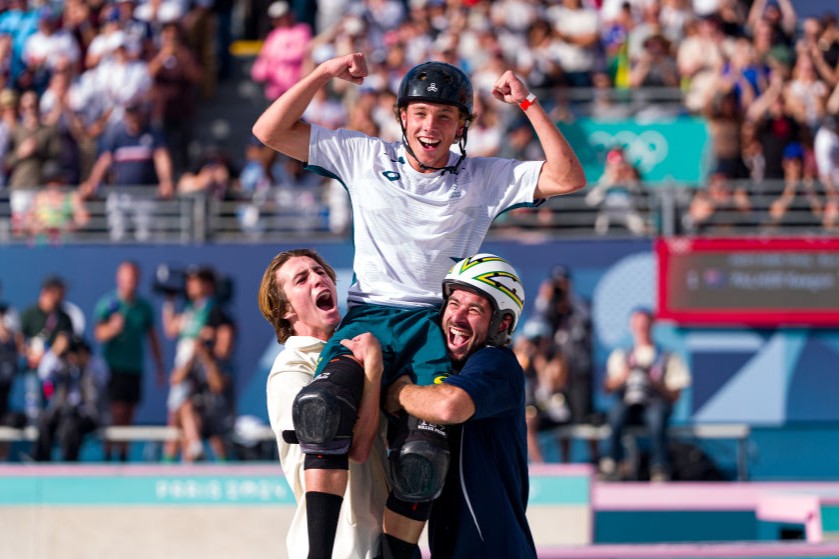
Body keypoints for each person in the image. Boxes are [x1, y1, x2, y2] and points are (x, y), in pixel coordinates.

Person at [251, 52, 585, 558]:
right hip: (368, 316)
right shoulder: (364, 155)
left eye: (446, 116)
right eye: (421, 113)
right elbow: (270, 130)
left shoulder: (483, 176)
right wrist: (323, 73)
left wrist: (530, 103)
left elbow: (567, 178)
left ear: (462, 126)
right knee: (321, 413)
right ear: (402, 116)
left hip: (433, 325)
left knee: (421, 459)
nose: (432, 126)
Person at [385, 253, 536, 558]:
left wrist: (398, 391)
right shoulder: (449, 368)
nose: (456, 317)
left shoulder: (496, 362)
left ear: (502, 322)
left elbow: (449, 406)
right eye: (453, 304)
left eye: (474, 309)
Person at [258, 248, 388, 559]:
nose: (318, 279)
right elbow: (347, 446)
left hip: (382, 541)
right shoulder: (291, 369)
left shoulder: (354, 348)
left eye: (320, 272)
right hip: (338, 547)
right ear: (286, 309)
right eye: (301, 279)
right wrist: (372, 371)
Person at [599, 308, 692, 482]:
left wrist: (654, 382)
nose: (641, 328)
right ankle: (612, 462)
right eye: (637, 324)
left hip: (655, 404)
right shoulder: (621, 356)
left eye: (645, 324)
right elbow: (607, 388)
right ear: (631, 326)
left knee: (656, 417)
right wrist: (624, 376)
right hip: (628, 405)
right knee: (615, 414)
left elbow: (675, 395)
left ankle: (660, 467)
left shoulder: (668, 356)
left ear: (652, 325)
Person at [93, 260, 165, 462]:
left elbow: (152, 339)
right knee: (114, 412)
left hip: (134, 367)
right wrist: (112, 329)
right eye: (126, 278)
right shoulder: (107, 304)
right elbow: (99, 333)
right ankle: (109, 456)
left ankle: (123, 456)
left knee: (128, 414)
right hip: (113, 368)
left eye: (133, 278)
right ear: (119, 279)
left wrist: (160, 367)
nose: (130, 282)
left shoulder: (144, 308)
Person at [160, 265, 227, 462]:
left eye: (194, 281)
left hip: (201, 372)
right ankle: (182, 462)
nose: (189, 285)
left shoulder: (212, 309)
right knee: (177, 421)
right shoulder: (191, 309)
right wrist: (169, 301)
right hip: (185, 369)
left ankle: (218, 465)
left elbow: (212, 341)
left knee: (209, 428)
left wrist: (197, 358)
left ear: (207, 285)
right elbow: (171, 329)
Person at [33, 333, 106, 461]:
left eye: (75, 352)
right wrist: (56, 351)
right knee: (46, 421)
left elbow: (101, 382)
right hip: (66, 412)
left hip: (88, 415)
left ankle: (69, 463)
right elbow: (44, 372)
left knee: (71, 426)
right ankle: (42, 461)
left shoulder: (94, 367)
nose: (72, 357)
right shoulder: (64, 367)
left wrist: (85, 362)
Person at [19, 275, 75, 426]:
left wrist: (52, 355)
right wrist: (30, 353)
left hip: (56, 375)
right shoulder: (30, 314)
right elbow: (19, 340)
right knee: (35, 412)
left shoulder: (64, 318)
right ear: (48, 292)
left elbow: (67, 344)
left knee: (54, 412)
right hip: (34, 374)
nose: (63, 296)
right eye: (59, 292)